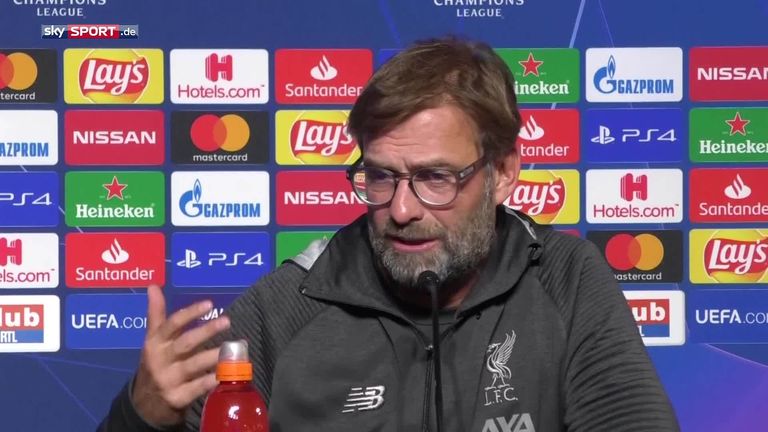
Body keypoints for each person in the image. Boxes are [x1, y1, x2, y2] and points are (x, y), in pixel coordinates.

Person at [98, 35, 680, 432]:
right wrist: (139, 417)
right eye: (379, 176)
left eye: (434, 178)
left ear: (503, 173)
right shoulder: (286, 307)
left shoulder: (565, 279)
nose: (400, 209)